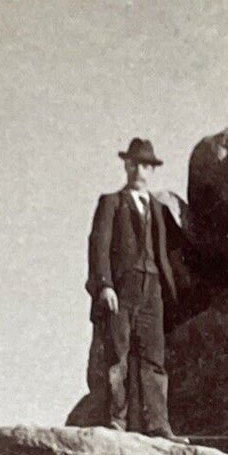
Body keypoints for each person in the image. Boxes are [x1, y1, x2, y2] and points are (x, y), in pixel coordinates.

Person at [82, 138, 191, 435]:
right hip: (122, 287)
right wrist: (104, 285)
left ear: (152, 171)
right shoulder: (111, 203)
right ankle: (117, 420)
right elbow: (99, 247)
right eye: (135, 163)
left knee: (154, 357)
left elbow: (173, 250)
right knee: (117, 355)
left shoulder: (158, 208)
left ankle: (158, 425)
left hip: (153, 288)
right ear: (126, 165)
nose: (139, 170)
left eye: (146, 165)